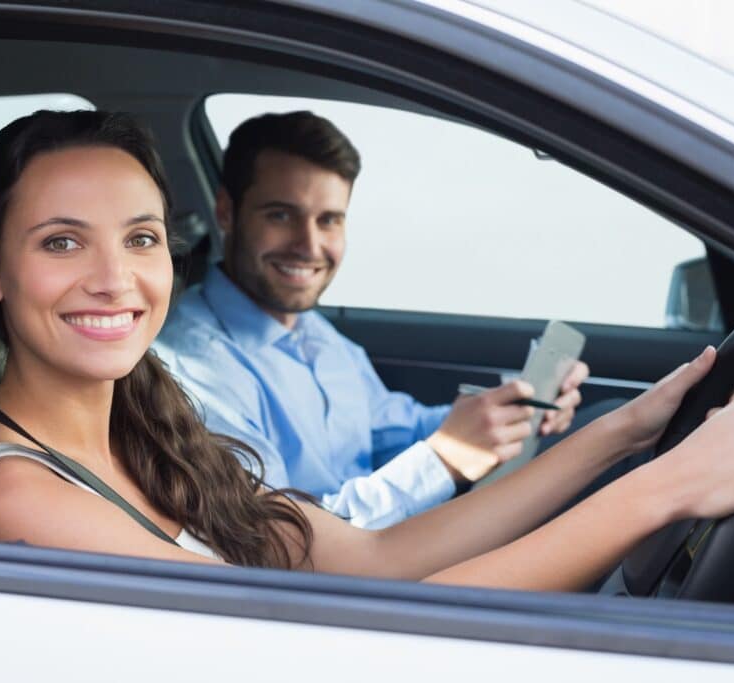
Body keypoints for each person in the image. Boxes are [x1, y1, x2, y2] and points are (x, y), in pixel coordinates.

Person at [0, 109, 734, 592]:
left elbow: (379, 561)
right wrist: (668, 488)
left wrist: (625, 433)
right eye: (61, 242)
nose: (115, 279)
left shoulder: (149, 434)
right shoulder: (13, 494)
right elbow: (359, 639)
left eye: (142, 238)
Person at [159, 111, 590, 529]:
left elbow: (391, 429)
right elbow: (280, 539)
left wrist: (506, 409)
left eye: (329, 220)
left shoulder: (315, 334)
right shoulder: (194, 369)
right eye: (280, 215)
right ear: (227, 213)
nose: (309, 246)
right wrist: (444, 459)